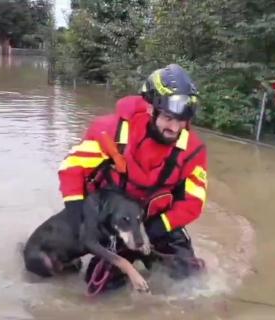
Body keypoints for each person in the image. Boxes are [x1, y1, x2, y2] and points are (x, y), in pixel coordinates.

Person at [57, 64, 208, 291]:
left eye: (181, 121)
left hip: (160, 221)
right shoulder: (111, 131)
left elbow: (194, 202)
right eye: (168, 118)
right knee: (101, 288)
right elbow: (72, 167)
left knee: (189, 280)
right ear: (150, 109)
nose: (175, 128)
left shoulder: (194, 150)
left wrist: (158, 227)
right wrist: (75, 212)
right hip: (119, 220)